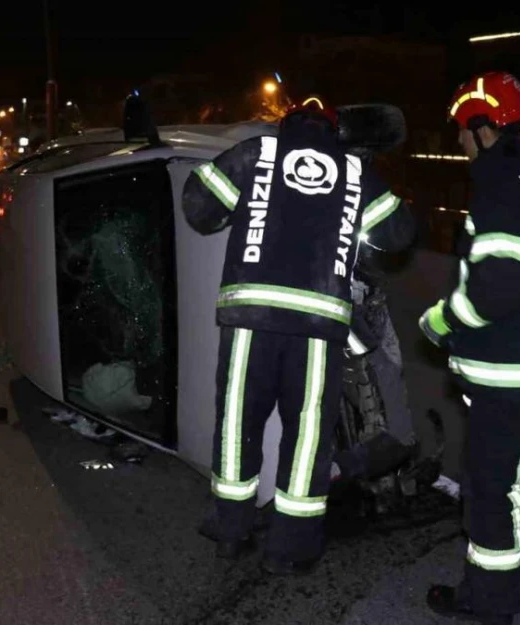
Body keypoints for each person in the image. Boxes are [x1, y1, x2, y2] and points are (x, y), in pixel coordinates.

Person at [181, 97, 415, 574]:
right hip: (317, 330)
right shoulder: (352, 171)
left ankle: (230, 530)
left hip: (252, 322)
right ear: (335, 132)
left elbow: (198, 208)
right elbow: (397, 234)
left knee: (236, 428)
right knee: (306, 438)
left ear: (285, 125)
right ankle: (289, 549)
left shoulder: (254, 153)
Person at [420, 71, 520, 625]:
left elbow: (499, 285)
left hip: (515, 379)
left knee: (492, 492)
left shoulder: (498, 185)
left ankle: (488, 602)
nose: (459, 144)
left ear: (481, 126)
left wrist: (442, 320)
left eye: (461, 133)